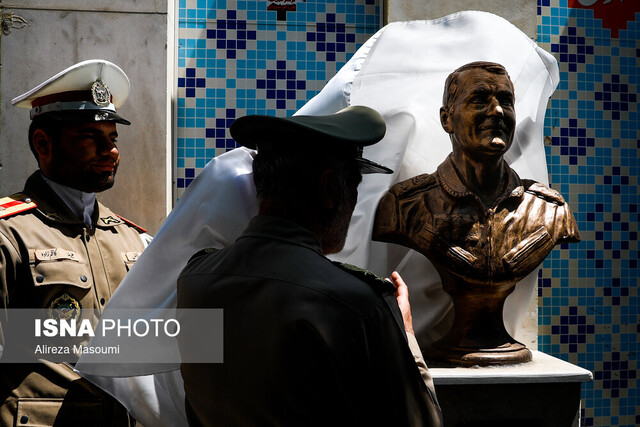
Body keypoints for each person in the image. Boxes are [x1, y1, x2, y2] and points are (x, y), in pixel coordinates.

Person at [177, 106, 442, 426]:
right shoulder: (358, 305)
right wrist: (405, 333)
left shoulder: (195, 280)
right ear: (330, 190)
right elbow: (419, 421)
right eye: (355, 186)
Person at [373, 62, 580, 362]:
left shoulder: (549, 210)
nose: (497, 111)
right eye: (480, 100)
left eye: (506, 101)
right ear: (447, 119)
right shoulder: (405, 206)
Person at [0, 60, 148, 426]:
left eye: (112, 138)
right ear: (43, 143)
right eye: (90, 137)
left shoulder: (134, 238)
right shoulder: (9, 233)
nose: (110, 150)